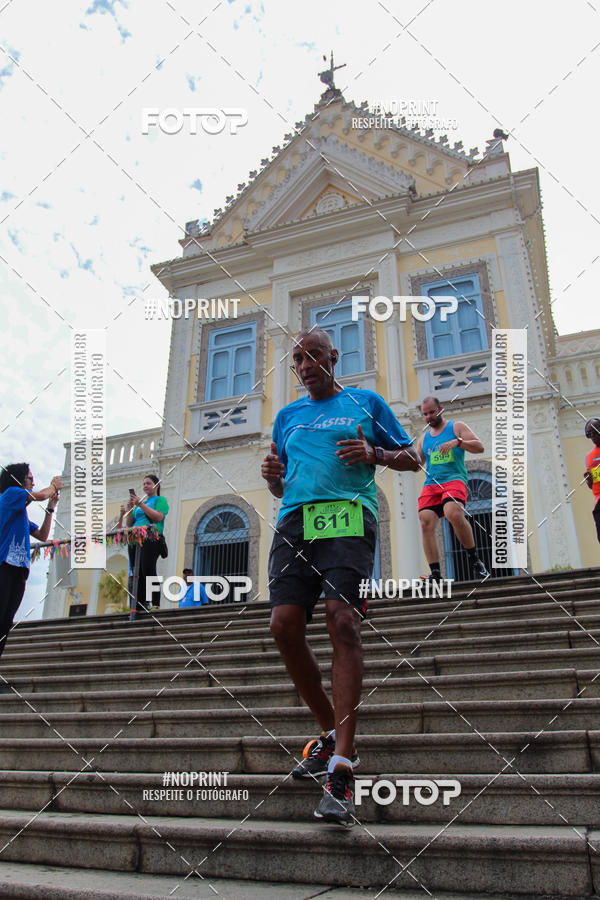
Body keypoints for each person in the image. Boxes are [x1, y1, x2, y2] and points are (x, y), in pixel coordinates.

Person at [261, 329, 419, 827]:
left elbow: (414, 459)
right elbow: (282, 482)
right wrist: (271, 477)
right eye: (296, 360)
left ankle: (343, 765)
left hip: (350, 515)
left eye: (313, 356)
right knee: (284, 625)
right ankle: (331, 733)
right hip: (295, 520)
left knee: (341, 621)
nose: (304, 365)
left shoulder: (366, 402)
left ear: (335, 358)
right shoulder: (287, 416)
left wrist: (373, 455)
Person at [416, 396, 488, 582]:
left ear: (441, 409)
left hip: (453, 480)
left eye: (432, 412)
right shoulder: (423, 438)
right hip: (432, 484)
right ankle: (436, 574)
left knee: (453, 513)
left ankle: (475, 562)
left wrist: (458, 442)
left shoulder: (456, 427)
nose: (429, 417)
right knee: (425, 521)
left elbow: (479, 447)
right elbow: (416, 464)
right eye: (425, 414)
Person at [0, 464, 62, 660]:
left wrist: (50, 508)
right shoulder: (10, 494)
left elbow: (43, 535)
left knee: (5, 623)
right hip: (4, 567)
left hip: (19, 571)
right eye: (29, 478)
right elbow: (41, 495)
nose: (33, 482)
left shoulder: (19, 513)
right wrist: (54, 485)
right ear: (18, 480)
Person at [122, 474, 169, 618]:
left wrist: (140, 505)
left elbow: (158, 517)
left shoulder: (160, 500)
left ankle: (154, 603)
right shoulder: (140, 503)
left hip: (150, 538)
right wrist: (131, 509)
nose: (145, 486)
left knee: (148, 570)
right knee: (136, 572)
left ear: (156, 485)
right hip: (135, 539)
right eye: (143, 484)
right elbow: (129, 524)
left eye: (148, 483)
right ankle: (139, 604)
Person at [583, 417, 600, 544]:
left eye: (595, 432)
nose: (593, 436)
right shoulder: (590, 457)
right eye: (589, 434)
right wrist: (589, 480)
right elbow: (592, 486)